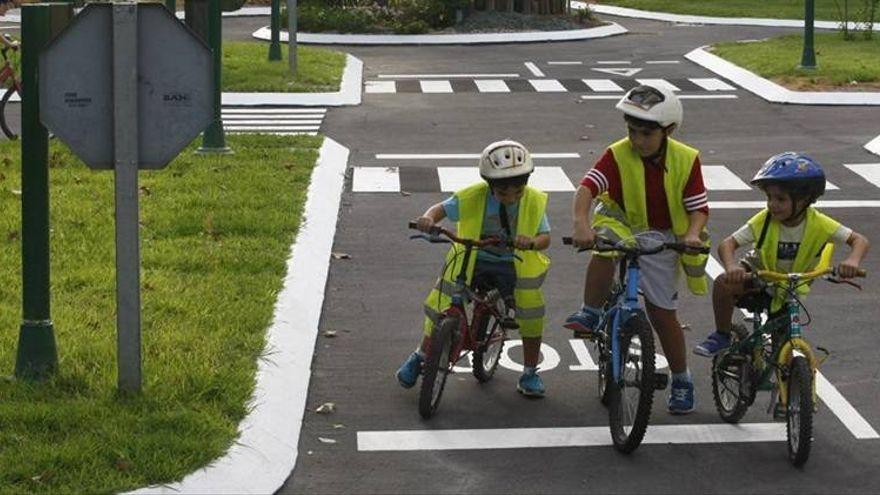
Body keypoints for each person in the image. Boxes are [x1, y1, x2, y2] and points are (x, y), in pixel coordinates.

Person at [565, 84, 710, 414]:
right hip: (622, 223)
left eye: (646, 133)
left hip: (663, 235)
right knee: (605, 248)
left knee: (662, 314)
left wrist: (691, 234)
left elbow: (698, 207)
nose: (637, 140)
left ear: (668, 130)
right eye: (632, 131)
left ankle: (681, 378)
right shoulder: (617, 153)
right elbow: (588, 187)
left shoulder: (687, 159)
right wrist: (580, 223)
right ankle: (591, 310)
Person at [396, 140, 552, 397]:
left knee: (530, 312)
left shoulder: (533, 201)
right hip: (473, 257)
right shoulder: (472, 196)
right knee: (441, 303)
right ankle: (420, 355)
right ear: (490, 186)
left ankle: (530, 372)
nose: (511, 197)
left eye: (518, 191)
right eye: (503, 193)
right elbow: (440, 209)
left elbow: (545, 238)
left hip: (512, 263)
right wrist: (428, 220)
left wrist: (532, 241)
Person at [694, 152, 870, 358]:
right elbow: (728, 244)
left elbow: (859, 240)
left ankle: (788, 382)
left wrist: (852, 260)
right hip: (758, 274)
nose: (772, 204)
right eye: (769, 197)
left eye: (780, 199)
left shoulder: (820, 223)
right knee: (724, 283)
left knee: (782, 349)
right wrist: (732, 267)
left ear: (804, 200)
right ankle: (722, 335)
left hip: (791, 286)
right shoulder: (765, 220)